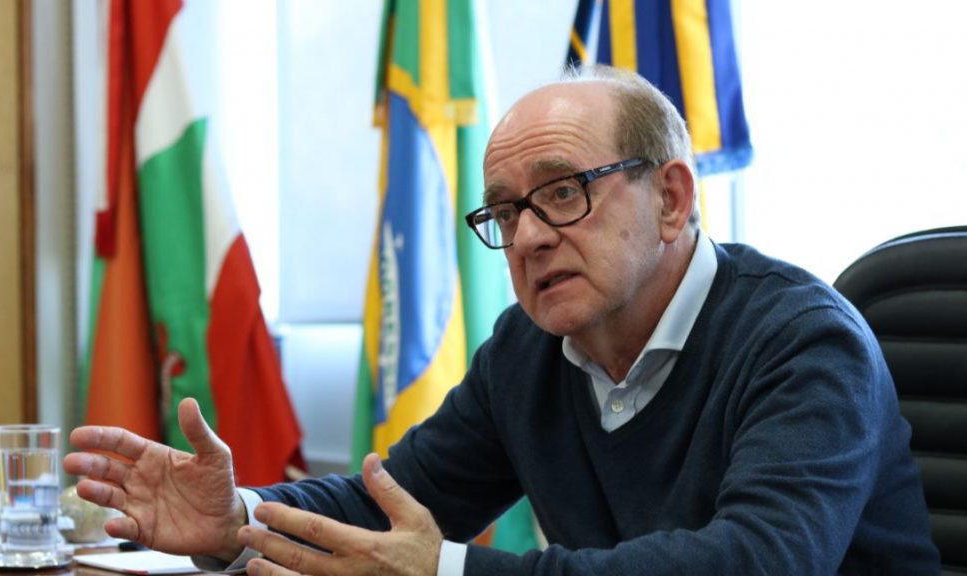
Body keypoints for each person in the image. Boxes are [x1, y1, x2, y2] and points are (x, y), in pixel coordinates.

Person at [64, 65, 940, 575]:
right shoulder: (531, 348)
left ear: (672, 199)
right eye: (506, 211)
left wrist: (447, 568)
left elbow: (758, 563)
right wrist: (241, 515)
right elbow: (392, 502)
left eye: (561, 193)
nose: (527, 237)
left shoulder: (804, 342)